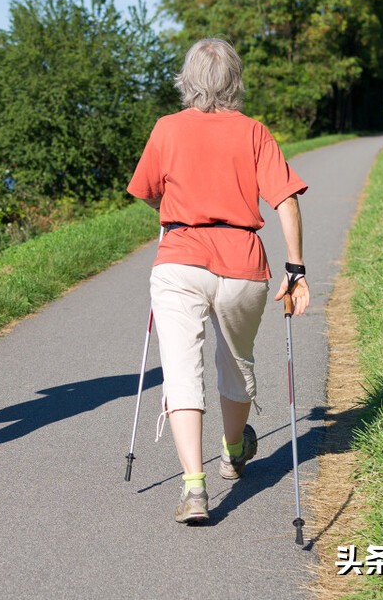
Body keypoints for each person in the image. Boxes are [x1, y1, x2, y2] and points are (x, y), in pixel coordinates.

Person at [127, 38, 310, 524]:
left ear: (187, 81)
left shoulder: (167, 128)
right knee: (236, 363)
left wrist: (172, 210)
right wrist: (295, 269)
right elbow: (286, 200)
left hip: (180, 259)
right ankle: (232, 451)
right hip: (241, 262)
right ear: (235, 81)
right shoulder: (253, 132)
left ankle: (194, 488)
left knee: (182, 371)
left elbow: (147, 191)